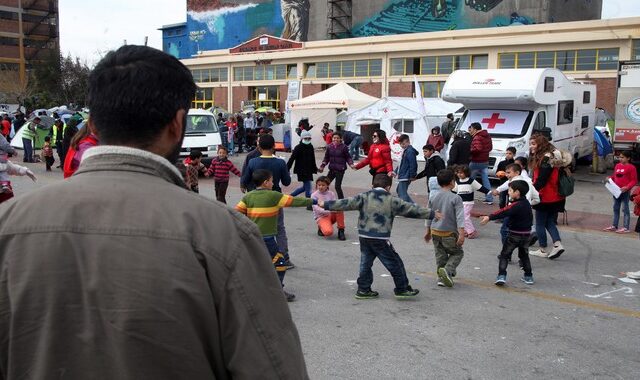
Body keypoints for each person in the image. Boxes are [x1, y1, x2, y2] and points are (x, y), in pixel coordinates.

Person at [0, 45, 308, 379]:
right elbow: (273, 368)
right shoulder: (222, 234)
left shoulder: (10, 224)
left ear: (92, 126)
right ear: (178, 124)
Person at [323, 174, 439, 299]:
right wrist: (432, 213)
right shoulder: (391, 200)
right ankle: (402, 288)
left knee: (366, 263)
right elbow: (411, 209)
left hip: (364, 235)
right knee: (395, 263)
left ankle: (363, 289)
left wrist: (325, 204)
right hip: (380, 238)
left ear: (372, 185)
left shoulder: (364, 196)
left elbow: (345, 203)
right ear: (388, 187)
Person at [236, 169, 316, 302]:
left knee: (258, 263)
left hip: (252, 237)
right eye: (272, 180)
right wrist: (314, 201)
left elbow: (236, 213)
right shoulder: (274, 196)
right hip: (267, 239)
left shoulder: (248, 197)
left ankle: (253, 290)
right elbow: (295, 201)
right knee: (280, 263)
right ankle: (277, 291)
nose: (273, 183)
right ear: (266, 182)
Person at [241, 134, 295, 269]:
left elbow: (245, 179)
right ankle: (284, 257)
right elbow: (287, 182)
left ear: (259, 146)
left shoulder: (253, 162)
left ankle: (257, 258)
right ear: (274, 146)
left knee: (256, 227)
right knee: (279, 228)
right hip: (275, 197)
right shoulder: (280, 162)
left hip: (256, 198)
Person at [480, 180, 534, 286]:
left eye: (510, 190)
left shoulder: (515, 205)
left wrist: (489, 217)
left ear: (517, 192)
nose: (508, 192)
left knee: (504, 255)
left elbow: (503, 211)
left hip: (514, 234)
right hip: (526, 235)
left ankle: (501, 276)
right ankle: (528, 276)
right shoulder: (527, 203)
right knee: (524, 256)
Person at [528, 134, 566, 260]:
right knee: (549, 221)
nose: (531, 146)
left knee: (539, 222)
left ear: (540, 144)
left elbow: (542, 179)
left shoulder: (545, 159)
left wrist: (531, 192)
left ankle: (542, 249)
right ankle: (557, 244)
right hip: (556, 196)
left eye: (533, 144)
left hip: (545, 196)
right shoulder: (554, 155)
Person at [425, 169, 465, 288]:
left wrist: (427, 231)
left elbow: (428, 214)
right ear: (452, 182)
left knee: (440, 255)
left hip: (435, 232)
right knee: (457, 253)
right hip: (449, 233)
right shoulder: (456, 198)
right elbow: (460, 217)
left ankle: (441, 278)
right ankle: (447, 271)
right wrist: (462, 234)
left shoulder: (433, 196)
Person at [492, 163, 539, 244]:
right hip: (526, 211)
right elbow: (537, 199)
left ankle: (506, 251)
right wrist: (528, 204)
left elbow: (506, 184)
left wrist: (498, 190)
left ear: (517, 173)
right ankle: (528, 238)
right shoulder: (528, 182)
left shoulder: (513, 183)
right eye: (506, 172)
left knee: (504, 230)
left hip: (513, 210)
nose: (506, 175)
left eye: (509, 172)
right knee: (522, 230)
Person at [603, 151, 638, 234]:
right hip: (616, 191)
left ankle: (626, 227)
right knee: (616, 208)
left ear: (628, 158)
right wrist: (609, 178)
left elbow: (634, 180)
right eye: (620, 157)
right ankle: (614, 225)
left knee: (625, 209)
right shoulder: (617, 166)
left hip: (625, 191)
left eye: (622, 157)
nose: (620, 159)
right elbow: (615, 176)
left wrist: (627, 187)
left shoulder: (631, 167)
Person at [452, 165, 490, 239]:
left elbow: (480, 188)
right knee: (461, 217)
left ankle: (472, 231)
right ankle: (465, 231)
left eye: (461, 173)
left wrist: (489, 192)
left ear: (466, 173)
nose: (459, 174)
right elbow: (454, 191)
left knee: (465, 217)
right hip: (460, 202)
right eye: (458, 173)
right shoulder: (457, 182)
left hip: (468, 202)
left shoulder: (471, 181)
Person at [318, 131, 354, 199]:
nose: (335, 139)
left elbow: (348, 157)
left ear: (341, 139)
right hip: (332, 169)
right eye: (334, 138)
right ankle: (321, 199)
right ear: (332, 138)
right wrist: (322, 166)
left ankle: (342, 201)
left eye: (337, 138)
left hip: (340, 170)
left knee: (337, 186)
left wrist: (351, 164)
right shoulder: (329, 147)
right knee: (325, 184)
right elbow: (326, 158)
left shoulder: (344, 147)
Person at [311, 176, 346, 240]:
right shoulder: (314, 195)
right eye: (319, 185)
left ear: (327, 185)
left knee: (339, 209)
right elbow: (317, 209)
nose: (321, 187)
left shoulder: (331, 194)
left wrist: (334, 209)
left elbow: (335, 205)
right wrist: (330, 210)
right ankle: (321, 227)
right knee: (328, 232)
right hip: (321, 216)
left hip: (330, 214)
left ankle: (341, 230)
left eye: (323, 185)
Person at [468, 122, 494, 205]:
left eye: (471, 129)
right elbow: (490, 148)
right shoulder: (487, 136)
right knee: (485, 180)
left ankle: (467, 196)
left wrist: (470, 152)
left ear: (475, 129)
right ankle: (489, 198)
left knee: (469, 180)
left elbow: (477, 149)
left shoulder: (477, 137)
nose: (470, 131)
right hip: (485, 160)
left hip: (476, 161)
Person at [287, 130, 317, 198]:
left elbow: (313, 158)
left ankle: (290, 197)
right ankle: (309, 202)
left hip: (309, 170)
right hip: (301, 170)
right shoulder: (298, 147)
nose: (307, 140)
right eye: (305, 138)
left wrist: (315, 168)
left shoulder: (311, 147)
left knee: (304, 187)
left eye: (309, 138)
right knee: (308, 188)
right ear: (301, 138)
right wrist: (287, 168)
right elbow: (292, 158)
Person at [395, 134, 418, 203]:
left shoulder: (410, 151)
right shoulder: (405, 150)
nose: (402, 145)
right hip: (403, 175)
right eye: (400, 144)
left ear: (408, 142)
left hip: (406, 176)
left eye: (403, 144)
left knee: (402, 194)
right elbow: (401, 164)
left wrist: (412, 176)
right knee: (399, 190)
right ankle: (413, 207)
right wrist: (395, 171)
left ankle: (413, 208)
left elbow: (413, 164)